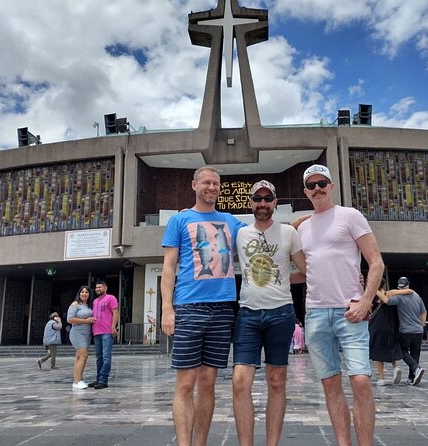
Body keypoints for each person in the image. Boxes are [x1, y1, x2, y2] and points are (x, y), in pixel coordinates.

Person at [295, 164, 384, 446]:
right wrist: (299, 221)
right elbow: (306, 270)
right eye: (311, 185)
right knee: (330, 384)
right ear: (305, 191)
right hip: (317, 314)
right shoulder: (304, 228)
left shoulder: (350, 216)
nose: (317, 188)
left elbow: (376, 262)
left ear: (331, 186)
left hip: (350, 311)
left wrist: (366, 300)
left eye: (323, 183)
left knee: (360, 381)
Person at [161, 166, 246, 446]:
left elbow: (262, 233)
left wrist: (303, 222)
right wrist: (167, 309)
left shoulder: (230, 221)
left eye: (216, 183)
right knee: (185, 383)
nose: (212, 187)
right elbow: (169, 266)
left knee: (208, 382)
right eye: (206, 182)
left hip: (223, 310)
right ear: (194, 185)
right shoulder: (179, 220)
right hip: (189, 307)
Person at [232, 180, 306, 446]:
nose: (262, 204)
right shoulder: (239, 234)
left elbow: (306, 270)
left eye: (267, 199)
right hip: (248, 314)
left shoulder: (288, 233)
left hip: (281, 313)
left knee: (276, 381)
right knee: (240, 381)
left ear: (275, 202)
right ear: (250, 202)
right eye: (257, 199)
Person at [377, 277, 426, 386]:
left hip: (406, 330)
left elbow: (385, 300)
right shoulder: (417, 296)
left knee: (402, 351)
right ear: (408, 285)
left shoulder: (399, 297)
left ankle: (416, 368)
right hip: (418, 331)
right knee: (415, 354)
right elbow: (423, 312)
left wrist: (375, 290)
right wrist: (421, 324)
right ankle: (411, 378)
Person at [370, 278, 407, 386]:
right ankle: (395, 367)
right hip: (391, 327)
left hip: (377, 326)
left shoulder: (373, 296)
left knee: (378, 351)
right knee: (389, 348)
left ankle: (381, 378)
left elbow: (370, 311)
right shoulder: (390, 294)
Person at [88, 280, 118, 389]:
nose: (98, 289)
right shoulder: (95, 301)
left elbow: (115, 312)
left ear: (105, 288)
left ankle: (103, 380)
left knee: (106, 356)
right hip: (96, 332)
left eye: (100, 287)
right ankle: (98, 379)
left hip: (107, 332)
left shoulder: (111, 298)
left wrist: (113, 327)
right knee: (99, 357)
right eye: (96, 288)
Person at [67, 285, 95, 390]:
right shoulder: (75, 304)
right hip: (77, 333)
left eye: (86, 292)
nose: (84, 294)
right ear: (79, 294)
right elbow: (70, 319)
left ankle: (77, 380)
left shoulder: (88, 306)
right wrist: (86, 321)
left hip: (87, 334)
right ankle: (77, 380)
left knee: (79, 357)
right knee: (84, 356)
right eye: (82, 292)